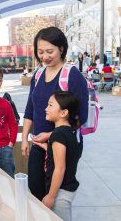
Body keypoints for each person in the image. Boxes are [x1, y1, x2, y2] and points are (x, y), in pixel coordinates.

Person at [21, 26, 88, 201]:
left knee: (56, 195)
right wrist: (24, 137)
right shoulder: (38, 74)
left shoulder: (72, 76)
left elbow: (81, 116)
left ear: (62, 48)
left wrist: (50, 135)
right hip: (38, 143)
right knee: (36, 189)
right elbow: (30, 108)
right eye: (40, 51)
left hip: (62, 145)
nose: (44, 57)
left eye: (50, 51)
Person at [35, 91, 80, 221]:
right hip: (67, 189)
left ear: (63, 113)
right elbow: (67, 155)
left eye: (50, 105)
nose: (46, 108)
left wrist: (51, 196)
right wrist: (47, 147)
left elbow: (60, 169)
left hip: (60, 193)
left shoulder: (58, 135)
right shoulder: (69, 131)